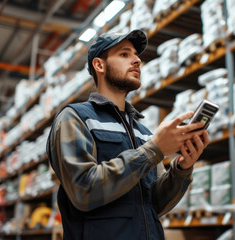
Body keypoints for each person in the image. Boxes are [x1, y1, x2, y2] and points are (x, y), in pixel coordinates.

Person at [46, 29, 210, 240]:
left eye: (136, 55)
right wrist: (153, 150)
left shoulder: (143, 132)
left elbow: (156, 204)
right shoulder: (75, 118)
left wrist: (182, 169)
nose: (137, 60)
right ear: (99, 65)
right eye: (124, 54)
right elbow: (83, 190)